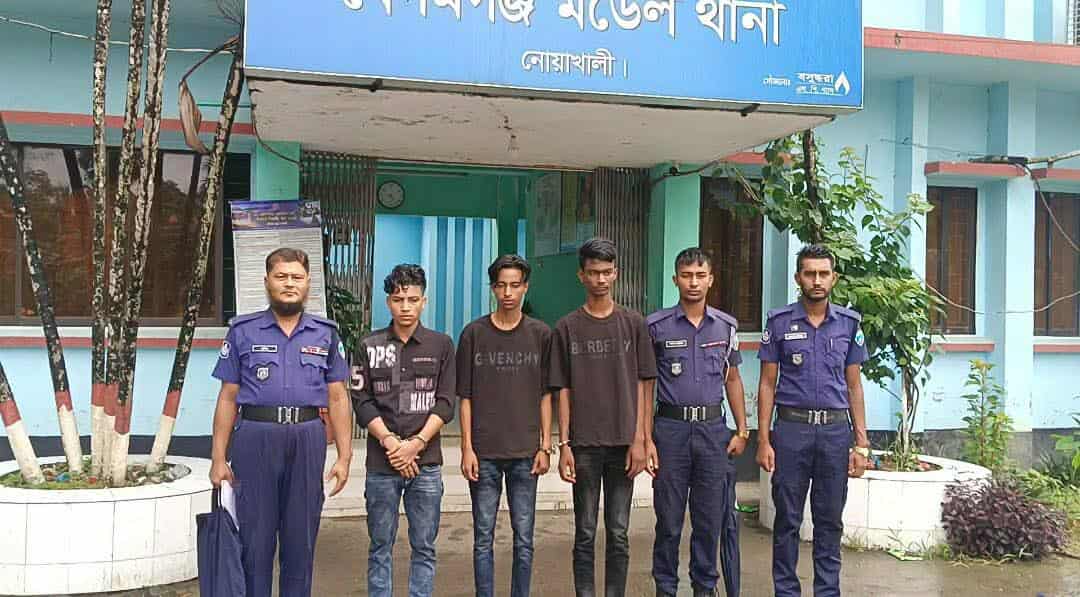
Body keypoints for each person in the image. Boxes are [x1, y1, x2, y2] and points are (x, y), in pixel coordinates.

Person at [209, 247, 353, 597]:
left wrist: (345, 456)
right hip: (255, 439)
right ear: (267, 282)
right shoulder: (243, 331)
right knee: (254, 541)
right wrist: (218, 457)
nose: (290, 284)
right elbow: (228, 398)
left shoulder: (325, 334)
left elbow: (338, 397)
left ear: (308, 283)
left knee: (300, 541)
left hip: (307, 439)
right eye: (281, 276)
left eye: (297, 277)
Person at [756, 244, 871, 597]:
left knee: (829, 521)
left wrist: (862, 444)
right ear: (798, 278)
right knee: (787, 519)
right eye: (810, 273)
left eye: (823, 274)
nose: (817, 280)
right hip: (792, 431)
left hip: (835, 433)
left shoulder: (849, 324)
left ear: (834, 278)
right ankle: (786, 591)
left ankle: (827, 591)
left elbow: (854, 386)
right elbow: (767, 383)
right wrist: (764, 439)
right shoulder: (779, 323)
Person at [550, 237, 658, 597]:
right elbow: (562, 389)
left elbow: (645, 384)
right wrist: (564, 444)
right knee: (584, 532)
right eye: (593, 272)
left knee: (619, 532)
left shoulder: (633, 324)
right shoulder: (566, 327)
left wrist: (642, 439)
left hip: (624, 444)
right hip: (583, 445)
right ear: (581, 275)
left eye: (607, 272)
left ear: (616, 274)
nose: (600, 279)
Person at [646, 247, 749, 597]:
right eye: (687, 276)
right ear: (675, 279)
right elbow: (645, 386)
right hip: (670, 432)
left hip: (713, 432)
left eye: (700, 276)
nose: (693, 282)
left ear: (711, 280)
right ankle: (666, 588)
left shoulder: (725, 326)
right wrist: (645, 438)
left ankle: (705, 587)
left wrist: (743, 429)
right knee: (669, 521)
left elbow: (733, 379)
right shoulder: (656, 327)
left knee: (709, 521)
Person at [351, 264, 456, 597]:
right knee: (380, 545)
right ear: (389, 302)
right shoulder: (368, 344)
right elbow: (361, 401)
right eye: (398, 300)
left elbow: (446, 403)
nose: (405, 307)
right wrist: (392, 444)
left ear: (424, 301)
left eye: (412, 299)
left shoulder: (441, 345)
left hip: (426, 465)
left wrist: (415, 445)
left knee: (424, 546)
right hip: (381, 465)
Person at [457, 254, 553, 597]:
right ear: (493, 288)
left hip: (525, 453)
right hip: (484, 453)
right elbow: (465, 396)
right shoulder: (473, 334)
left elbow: (546, 395)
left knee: (524, 538)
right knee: (483, 537)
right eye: (501, 285)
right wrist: (466, 448)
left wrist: (545, 445)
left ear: (526, 287)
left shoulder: (541, 334)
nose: (508, 293)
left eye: (515, 285)